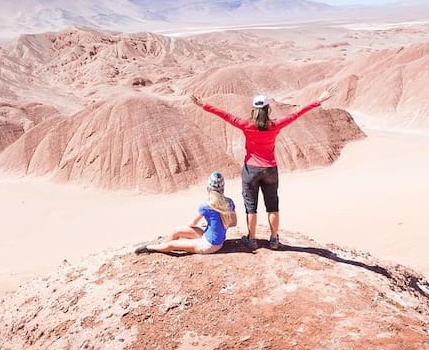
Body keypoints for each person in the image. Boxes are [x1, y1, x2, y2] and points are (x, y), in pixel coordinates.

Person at [190, 87, 335, 250]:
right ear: (268, 109)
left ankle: (252, 239)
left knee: (251, 207)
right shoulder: (275, 125)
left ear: (254, 110)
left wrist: (204, 105)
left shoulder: (246, 124)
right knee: (272, 206)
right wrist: (318, 100)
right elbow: (296, 114)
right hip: (270, 169)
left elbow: (226, 116)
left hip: (250, 170)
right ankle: (274, 239)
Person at [135, 172, 237, 255]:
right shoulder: (229, 202)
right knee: (177, 230)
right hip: (213, 238)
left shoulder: (206, 206)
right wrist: (214, 224)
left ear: (209, 188)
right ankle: (161, 246)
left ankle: (149, 248)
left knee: (173, 245)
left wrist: (212, 224)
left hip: (209, 245)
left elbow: (191, 224)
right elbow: (233, 223)